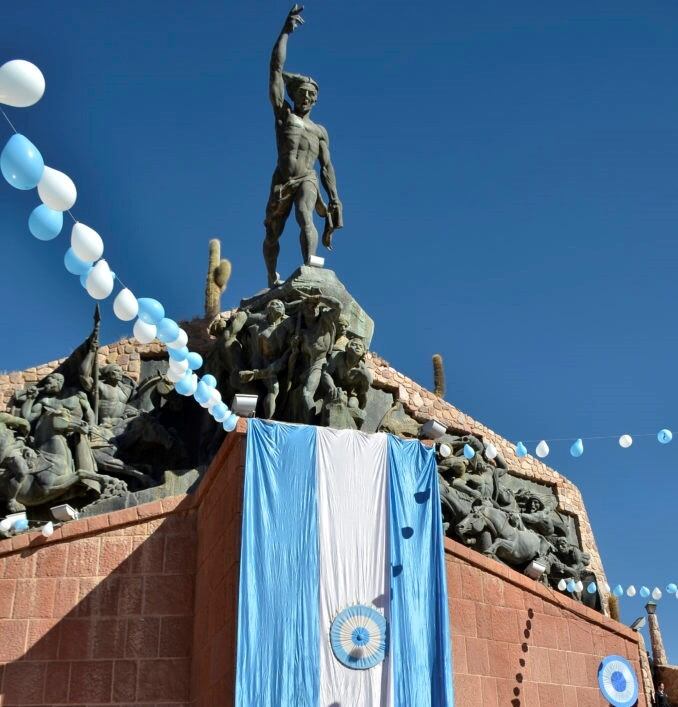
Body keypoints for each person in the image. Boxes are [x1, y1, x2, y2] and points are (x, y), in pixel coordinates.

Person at [263, 4, 343, 287]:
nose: (306, 97)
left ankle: (310, 262)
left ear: (316, 99)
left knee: (304, 214)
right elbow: (275, 69)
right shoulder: (284, 115)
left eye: (311, 94)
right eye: (302, 93)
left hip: (306, 178)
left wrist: (334, 196)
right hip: (282, 179)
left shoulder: (320, 131)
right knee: (273, 232)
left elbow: (326, 166)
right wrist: (285, 32)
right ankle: (272, 274)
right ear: (294, 95)